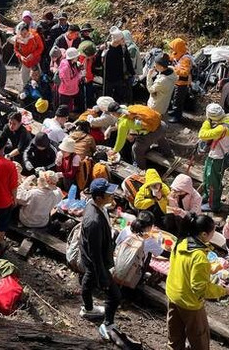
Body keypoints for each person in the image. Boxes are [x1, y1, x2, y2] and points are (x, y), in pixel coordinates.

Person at [166, 214, 229, 350]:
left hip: (173, 293)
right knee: (199, 335)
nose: (214, 234)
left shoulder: (182, 242)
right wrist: (223, 291)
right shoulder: (199, 257)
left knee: (175, 330)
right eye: (213, 231)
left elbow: (190, 268)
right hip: (189, 302)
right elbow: (200, 289)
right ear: (203, 234)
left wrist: (218, 267)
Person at [79, 178, 121, 340]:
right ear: (98, 198)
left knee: (89, 279)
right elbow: (95, 253)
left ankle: (88, 309)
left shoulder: (95, 205)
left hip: (92, 257)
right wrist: (103, 276)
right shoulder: (94, 221)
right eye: (109, 194)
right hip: (96, 260)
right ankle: (108, 324)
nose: (112, 197)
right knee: (115, 295)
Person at [198, 103, 229, 212]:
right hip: (215, 155)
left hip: (218, 158)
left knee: (213, 182)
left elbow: (202, 134)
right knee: (207, 177)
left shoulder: (221, 129)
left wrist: (207, 121)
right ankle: (207, 197)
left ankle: (213, 205)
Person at [111, 105, 172, 169]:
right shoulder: (129, 108)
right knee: (160, 138)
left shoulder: (123, 123)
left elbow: (120, 140)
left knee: (136, 149)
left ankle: (140, 169)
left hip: (154, 133)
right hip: (161, 125)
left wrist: (115, 151)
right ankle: (169, 154)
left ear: (113, 114)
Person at [103, 29, 135, 104]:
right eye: (122, 39)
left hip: (120, 78)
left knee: (119, 98)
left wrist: (132, 73)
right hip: (108, 79)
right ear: (117, 40)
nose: (124, 40)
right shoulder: (106, 48)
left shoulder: (123, 48)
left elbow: (128, 61)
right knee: (107, 99)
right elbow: (98, 61)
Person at [167, 38, 193, 123]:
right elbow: (172, 58)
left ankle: (177, 117)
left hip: (182, 83)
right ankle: (174, 111)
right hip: (176, 81)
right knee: (174, 98)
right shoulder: (177, 54)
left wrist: (174, 69)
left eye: (173, 48)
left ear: (178, 48)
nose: (172, 50)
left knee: (178, 101)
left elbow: (185, 72)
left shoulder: (186, 59)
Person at [14, 21, 44, 86]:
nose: (23, 36)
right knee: (25, 80)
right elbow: (16, 49)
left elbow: (41, 48)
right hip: (25, 62)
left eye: (25, 33)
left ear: (28, 31)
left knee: (38, 79)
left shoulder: (35, 36)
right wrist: (20, 56)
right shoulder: (18, 38)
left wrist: (33, 54)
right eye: (22, 34)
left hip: (35, 61)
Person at [58, 47, 83, 113]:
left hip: (74, 90)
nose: (78, 57)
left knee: (78, 105)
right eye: (77, 56)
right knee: (64, 110)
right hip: (66, 92)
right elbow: (68, 82)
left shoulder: (73, 63)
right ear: (73, 57)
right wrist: (79, 76)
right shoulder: (65, 68)